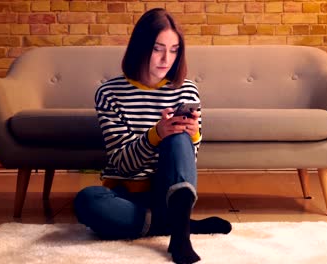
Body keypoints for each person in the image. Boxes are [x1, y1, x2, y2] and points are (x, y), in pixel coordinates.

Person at [73, 8, 232, 264]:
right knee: (87, 201)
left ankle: (180, 237)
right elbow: (121, 163)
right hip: (125, 195)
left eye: (173, 49)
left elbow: (186, 163)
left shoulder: (187, 91)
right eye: (158, 48)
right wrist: (155, 134)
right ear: (140, 47)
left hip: (168, 193)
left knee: (179, 138)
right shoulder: (109, 93)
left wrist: (193, 137)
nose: (165, 59)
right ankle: (175, 224)